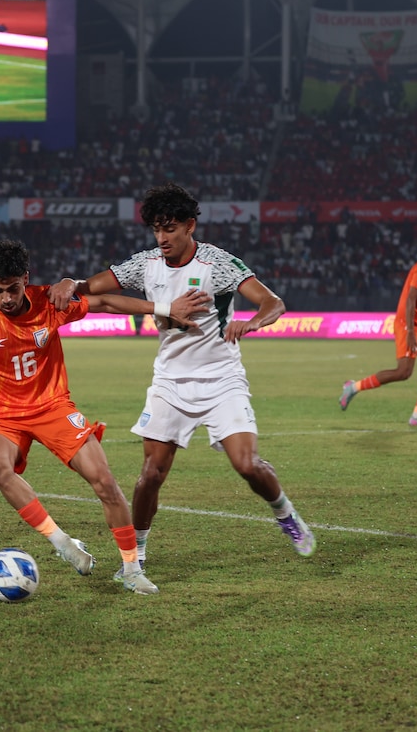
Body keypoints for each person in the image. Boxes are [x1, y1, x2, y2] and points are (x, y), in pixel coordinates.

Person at [48, 182, 316, 576]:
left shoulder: (217, 263)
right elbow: (94, 287)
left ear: (190, 226)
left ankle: (285, 513)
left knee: (247, 464)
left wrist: (253, 322)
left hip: (221, 379)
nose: (162, 238)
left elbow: (272, 302)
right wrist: (71, 282)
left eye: (170, 228)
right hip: (170, 382)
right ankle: (135, 555)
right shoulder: (147, 263)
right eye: (156, 229)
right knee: (150, 475)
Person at [0, 239, 209, 595]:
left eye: (13, 289)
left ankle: (131, 569)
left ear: (25, 278)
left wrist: (164, 307)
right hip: (2, 415)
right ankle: (61, 542)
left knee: (103, 479)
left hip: (53, 406)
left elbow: (104, 301)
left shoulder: (49, 302)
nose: (6, 299)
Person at [339, 234, 417, 425]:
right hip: (407, 323)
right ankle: (353, 387)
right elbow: (411, 299)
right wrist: (411, 332)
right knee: (404, 372)